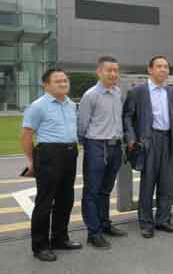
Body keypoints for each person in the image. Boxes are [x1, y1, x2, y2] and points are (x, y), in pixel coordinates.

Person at [21, 68, 81, 262]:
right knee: (45, 201)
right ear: (46, 85)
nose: (63, 83)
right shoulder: (38, 106)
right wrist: (31, 161)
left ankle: (59, 238)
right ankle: (40, 246)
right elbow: (26, 135)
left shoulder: (71, 105)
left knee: (66, 199)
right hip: (49, 154)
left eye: (65, 80)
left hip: (70, 153)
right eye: (57, 81)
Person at [123, 55, 173, 238]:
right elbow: (127, 116)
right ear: (150, 70)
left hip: (168, 140)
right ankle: (146, 222)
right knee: (148, 183)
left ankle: (163, 219)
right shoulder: (138, 92)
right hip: (148, 140)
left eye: (166, 67)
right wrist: (131, 138)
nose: (163, 70)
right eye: (159, 66)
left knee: (167, 183)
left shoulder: (171, 92)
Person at [78, 56, 128, 250]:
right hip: (96, 146)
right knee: (92, 191)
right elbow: (82, 124)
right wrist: (88, 143)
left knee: (106, 189)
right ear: (99, 72)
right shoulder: (90, 95)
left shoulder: (117, 93)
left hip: (115, 146)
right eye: (109, 70)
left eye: (116, 70)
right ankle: (94, 233)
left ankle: (105, 224)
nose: (113, 74)